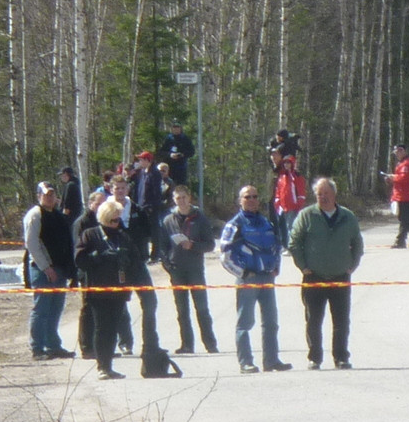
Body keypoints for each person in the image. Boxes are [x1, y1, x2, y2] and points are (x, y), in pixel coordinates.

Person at [288, 176, 365, 370]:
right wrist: (302, 265)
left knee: (341, 321)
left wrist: (353, 264)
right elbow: (294, 242)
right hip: (314, 277)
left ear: (334, 194)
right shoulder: (307, 215)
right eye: (319, 194)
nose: (323, 197)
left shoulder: (347, 216)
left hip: (340, 276)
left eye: (326, 193)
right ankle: (314, 357)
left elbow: (357, 242)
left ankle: (341, 357)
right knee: (313, 320)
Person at [219, 184, 290, 372]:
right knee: (245, 323)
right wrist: (242, 273)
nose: (251, 200)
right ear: (240, 201)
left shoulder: (267, 222)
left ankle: (272, 360)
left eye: (254, 196)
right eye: (247, 197)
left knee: (271, 322)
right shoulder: (235, 224)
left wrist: (276, 267)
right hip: (247, 280)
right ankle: (246, 362)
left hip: (267, 278)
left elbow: (277, 246)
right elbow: (224, 255)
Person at [73, 199, 131, 378]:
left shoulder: (121, 236)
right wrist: (99, 256)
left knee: (113, 327)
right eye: (113, 220)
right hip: (98, 290)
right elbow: (80, 260)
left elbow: (136, 260)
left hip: (118, 289)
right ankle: (102, 366)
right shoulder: (90, 235)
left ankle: (108, 365)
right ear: (105, 218)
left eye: (118, 220)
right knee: (101, 327)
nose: (116, 224)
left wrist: (125, 258)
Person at [123, 152, 169, 366]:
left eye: (142, 159)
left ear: (148, 160)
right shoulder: (140, 174)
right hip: (141, 206)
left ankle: (155, 252)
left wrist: (152, 206)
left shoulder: (154, 175)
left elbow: (156, 193)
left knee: (154, 231)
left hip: (151, 207)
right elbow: (135, 188)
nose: (140, 162)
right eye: (139, 160)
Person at [161, 183, 218, 354]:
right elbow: (162, 247)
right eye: (178, 198)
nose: (181, 201)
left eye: (184, 197)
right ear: (173, 200)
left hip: (195, 269)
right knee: (182, 310)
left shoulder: (200, 218)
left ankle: (210, 344)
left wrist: (192, 245)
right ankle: (187, 344)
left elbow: (210, 244)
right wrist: (167, 265)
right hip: (177, 269)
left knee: (201, 308)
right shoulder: (168, 220)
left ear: (189, 198)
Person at [21, 181, 75, 359]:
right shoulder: (35, 215)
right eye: (46, 195)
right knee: (41, 309)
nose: (49, 198)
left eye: (52, 194)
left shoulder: (58, 215)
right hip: (42, 269)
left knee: (56, 309)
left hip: (60, 269)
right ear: (39, 196)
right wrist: (46, 267)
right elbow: (32, 244)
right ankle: (37, 348)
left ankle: (53, 345)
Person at [383, 145, 409, 247]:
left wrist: (393, 177)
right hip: (400, 195)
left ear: (404, 151)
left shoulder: (408, 162)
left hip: (405, 196)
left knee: (404, 219)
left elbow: (405, 178)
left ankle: (400, 241)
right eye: (396, 152)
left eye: (400, 151)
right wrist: (390, 179)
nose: (398, 154)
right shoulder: (401, 163)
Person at [271, 153, 308, 248]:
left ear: (292, 164)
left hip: (293, 206)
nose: (287, 165)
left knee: (292, 226)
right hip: (283, 207)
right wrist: (277, 203)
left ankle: (293, 246)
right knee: (284, 227)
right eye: (285, 163)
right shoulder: (282, 176)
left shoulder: (296, 176)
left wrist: (299, 204)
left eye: (289, 163)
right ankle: (286, 245)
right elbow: (279, 191)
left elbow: (301, 192)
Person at [158, 121, 194, 190]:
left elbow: (191, 152)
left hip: (181, 168)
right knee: (169, 187)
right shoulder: (168, 139)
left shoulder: (185, 139)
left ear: (180, 128)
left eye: (177, 127)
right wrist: (170, 155)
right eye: (174, 127)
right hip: (170, 168)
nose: (176, 129)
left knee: (181, 187)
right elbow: (161, 152)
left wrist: (182, 154)